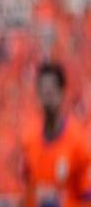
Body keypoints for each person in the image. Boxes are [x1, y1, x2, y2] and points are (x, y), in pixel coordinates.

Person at [22, 62, 91, 207]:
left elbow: (86, 195)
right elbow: (28, 190)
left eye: (51, 90)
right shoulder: (29, 139)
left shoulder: (78, 142)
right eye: (43, 90)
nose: (47, 97)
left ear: (62, 92)